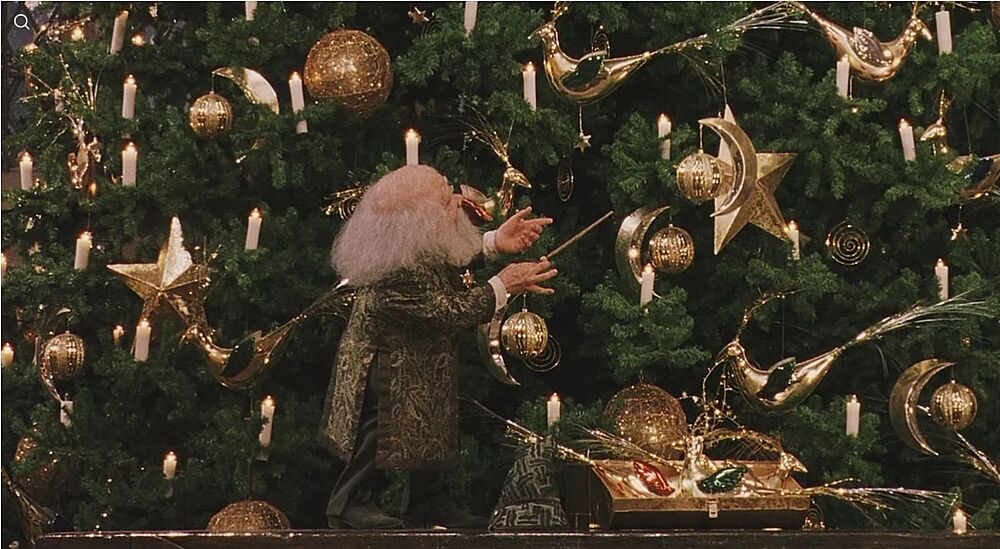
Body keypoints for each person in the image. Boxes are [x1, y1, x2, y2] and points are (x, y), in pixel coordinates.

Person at [319, 165, 556, 529]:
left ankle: (426, 501)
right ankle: (349, 502)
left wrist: (495, 241)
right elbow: (447, 312)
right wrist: (503, 284)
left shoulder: (412, 246)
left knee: (430, 422)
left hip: (421, 358)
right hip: (384, 364)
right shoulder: (393, 274)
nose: (458, 201)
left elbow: (446, 254)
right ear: (418, 223)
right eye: (446, 201)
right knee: (378, 429)